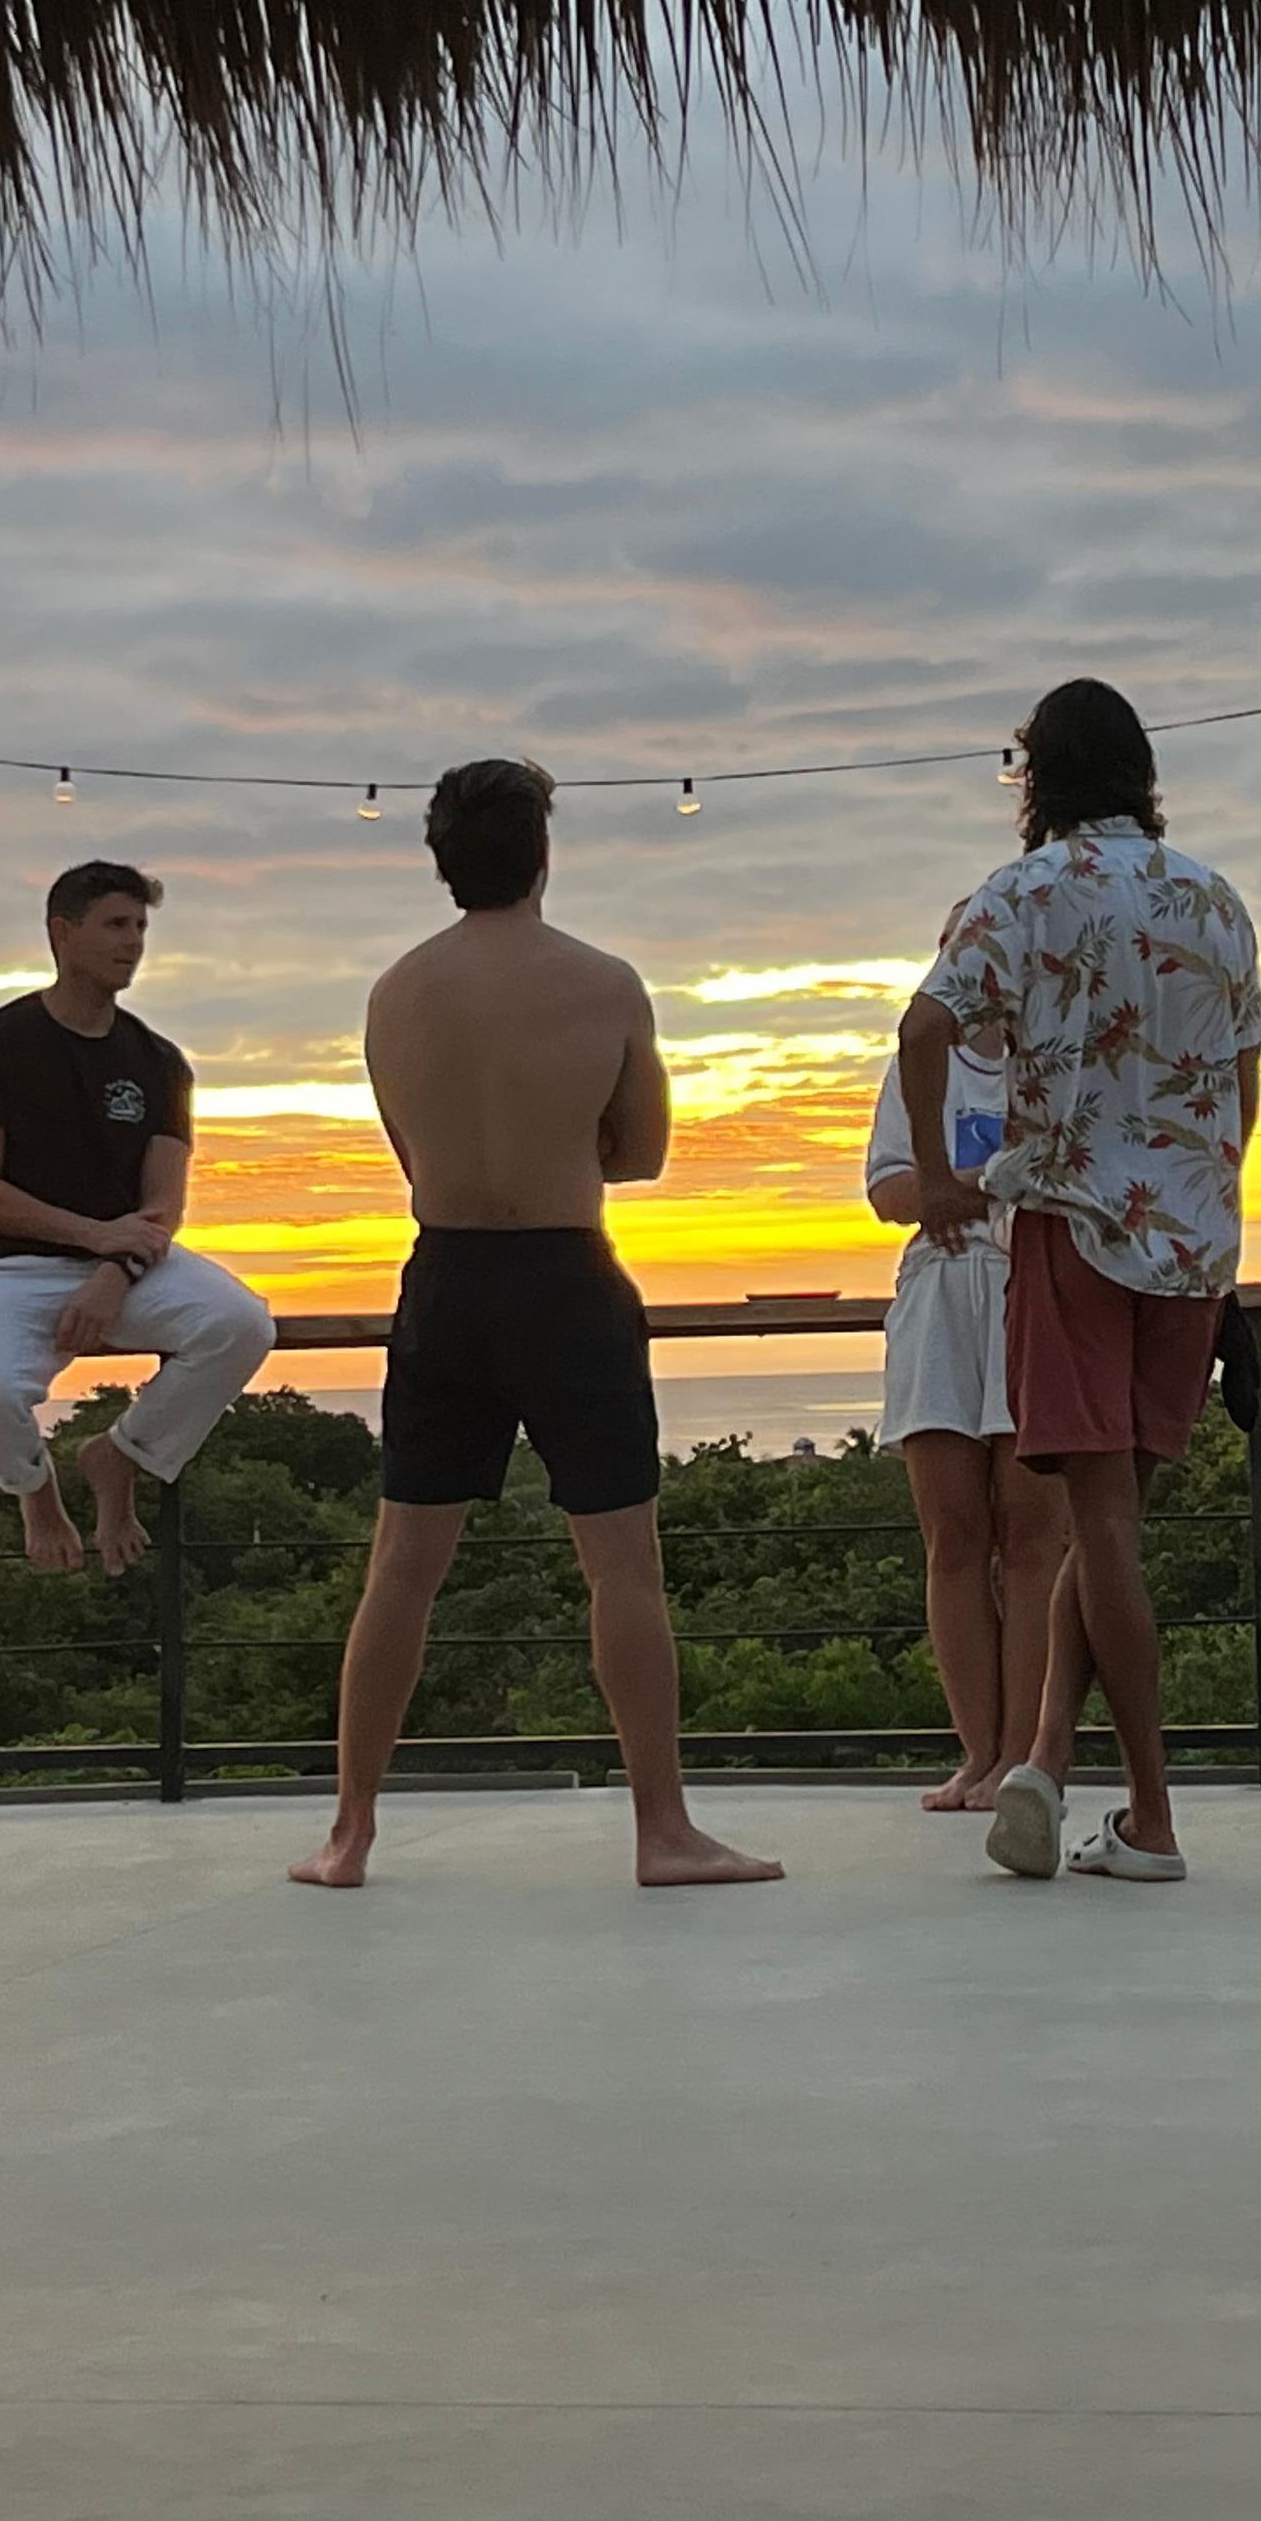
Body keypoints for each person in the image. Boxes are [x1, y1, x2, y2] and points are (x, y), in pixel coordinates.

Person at [288, 757, 781, 1894]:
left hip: (448, 1277)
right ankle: (662, 1828)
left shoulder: (395, 991)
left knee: (401, 1569)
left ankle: (349, 1830)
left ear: (440, 857)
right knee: (622, 1568)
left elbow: (414, 1153)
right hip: (567, 1274)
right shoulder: (602, 982)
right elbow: (643, 1153)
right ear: (542, 852)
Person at [898, 679, 1261, 1885]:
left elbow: (925, 1025)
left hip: (1070, 1216)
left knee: (1100, 1526)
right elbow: (1244, 1074)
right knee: (1115, 1525)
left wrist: (948, 1184)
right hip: (1192, 1239)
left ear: (1037, 774)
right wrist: (1211, 1188)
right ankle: (1045, 1763)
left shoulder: (1023, 893)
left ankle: (1151, 1814)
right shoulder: (1214, 899)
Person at [0, 863, 277, 1574]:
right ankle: (34, 1486)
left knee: (241, 1324)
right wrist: (93, 1237)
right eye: (116, 925)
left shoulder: (158, 1062)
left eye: (142, 927)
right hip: (3, 1266)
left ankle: (120, 1454)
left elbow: (164, 1204)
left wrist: (114, 1272)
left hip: (126, 1265)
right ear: (63, 933)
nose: (134, 942)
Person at [864, 923, 1069, 1812]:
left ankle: (1024, 1757)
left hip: (1035, 1292)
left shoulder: (1055, 1060)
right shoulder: (919, 1065)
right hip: (944, 1298)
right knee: (953, 1534)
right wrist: (990, 1177)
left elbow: (1068, 1175)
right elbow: (890, 1189)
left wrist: (965, 1182)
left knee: (1033, 1536)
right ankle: (976, 1752)